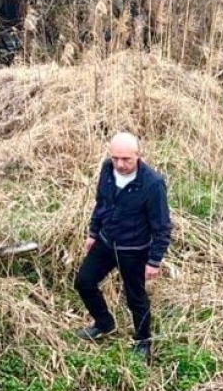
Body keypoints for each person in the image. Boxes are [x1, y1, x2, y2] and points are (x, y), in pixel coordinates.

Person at [73, 132, 172, 362]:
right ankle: (104, 324)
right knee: (84, 282)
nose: (120, 164)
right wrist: (93, 233)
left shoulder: (152, 184)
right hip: (107, 242)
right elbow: (101, 203)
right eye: (116, 157)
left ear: (138, 155)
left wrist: (154, 260)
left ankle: (143, 341)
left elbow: (162, 227)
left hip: (135, 250)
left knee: (135, 297)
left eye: (126, 159)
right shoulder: (108, 170)